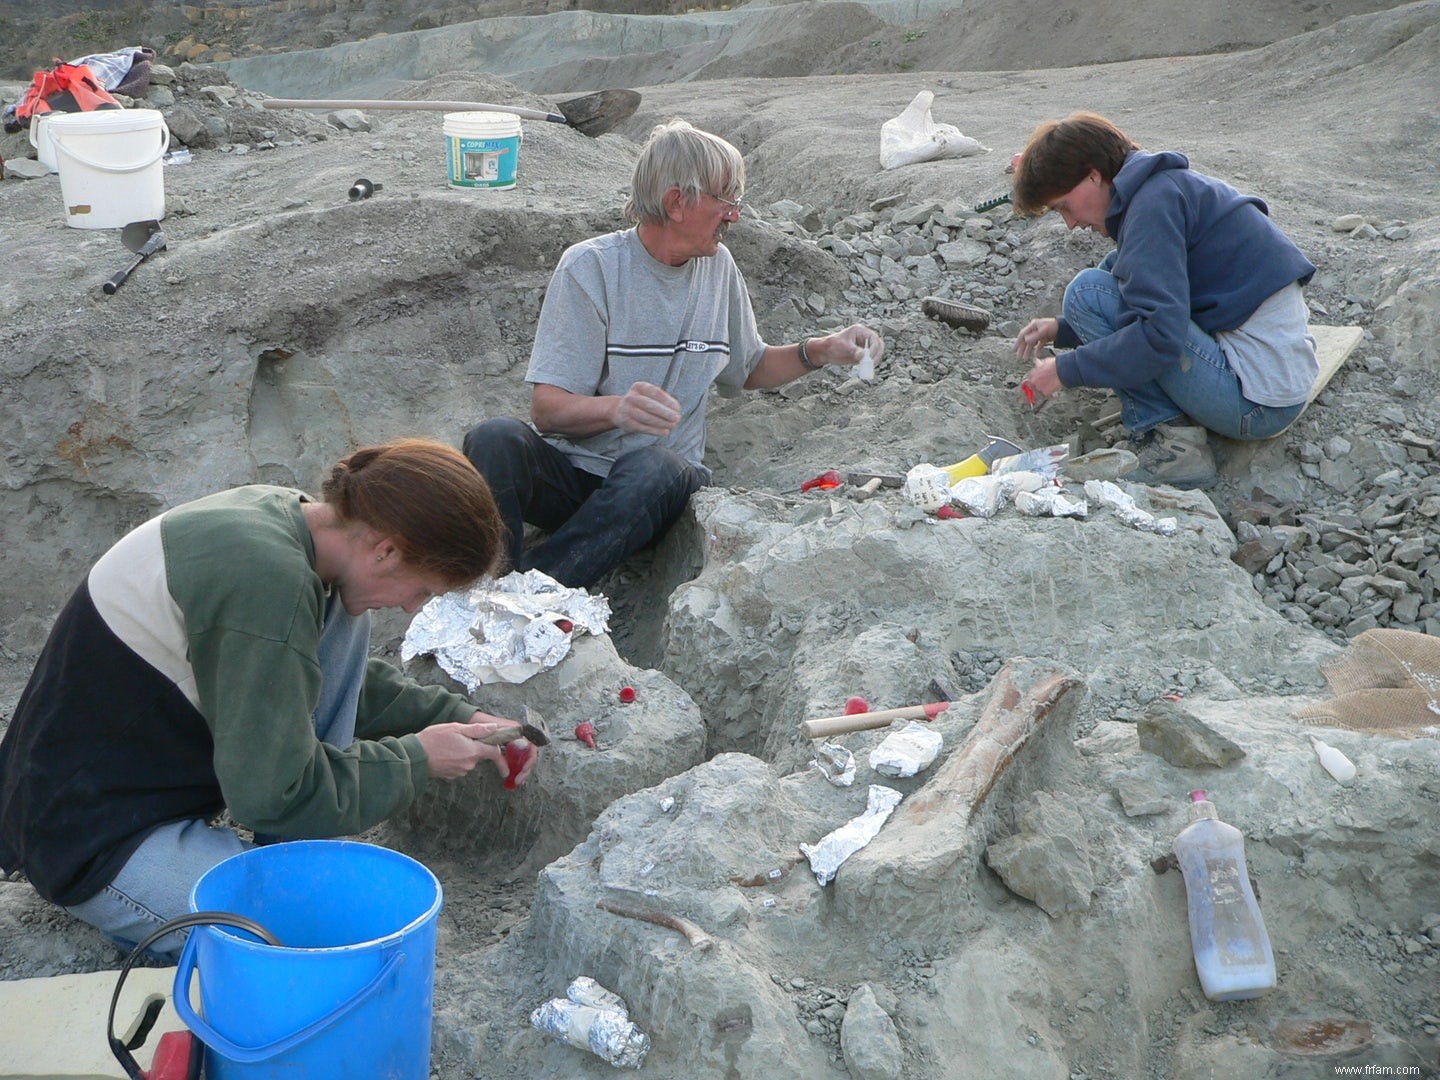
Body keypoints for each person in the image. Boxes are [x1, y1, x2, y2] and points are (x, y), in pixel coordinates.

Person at [0, 438, 537, 959]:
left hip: (129, 790)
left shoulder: (294, 524)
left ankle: (290, 852)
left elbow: (300, 669)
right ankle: (158, 911)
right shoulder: (267, 583)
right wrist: (418, 758)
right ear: (387, 548)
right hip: (88, 838)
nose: (409, 608)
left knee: (348, 617)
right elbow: (269, 792)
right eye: (421, 590)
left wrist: (455, 716)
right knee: (296, 938)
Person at [464, 118, 886, 589]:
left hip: (662, 489)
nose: (736, 216)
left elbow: (747, 367)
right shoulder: (591, 268)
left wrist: (823, 350)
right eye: (727, 201)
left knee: (653, 463)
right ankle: (487, 577)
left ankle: (530, 594)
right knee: (494, 439)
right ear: (676, 203)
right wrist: (618, 410)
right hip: (580, 480)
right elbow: (548, 411)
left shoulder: (718, 267)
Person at [1010, 111, 1318, 489]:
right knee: (1099, 285)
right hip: (1274, 384)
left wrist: (1064, 370)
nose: (1070, 223)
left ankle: (1177, 452)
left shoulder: (1152, 208)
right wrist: (1065, 330)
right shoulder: (1162, 191)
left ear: (1092, 175)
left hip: (1255, 406)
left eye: (1063, 207)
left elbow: (1159, 337)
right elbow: (1147, 289)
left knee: (1088, 291)